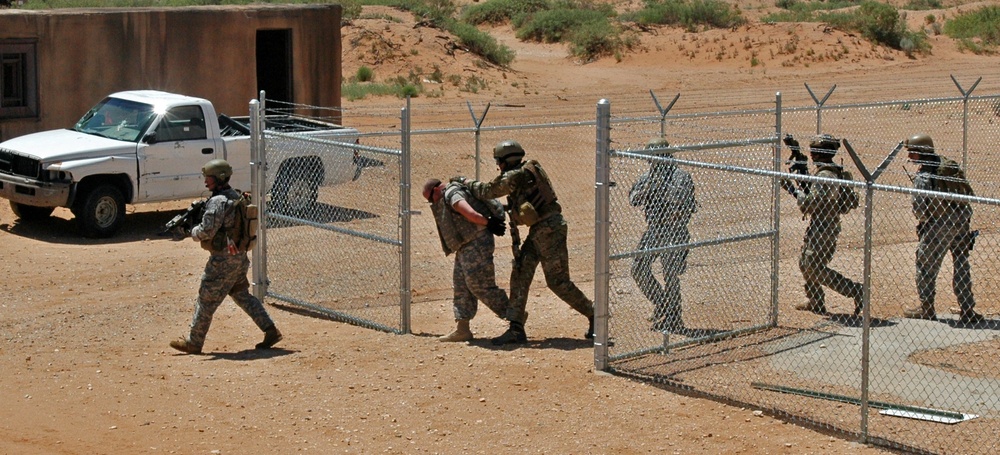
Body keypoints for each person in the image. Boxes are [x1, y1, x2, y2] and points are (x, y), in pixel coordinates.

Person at [464, 140, 595, 345]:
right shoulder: (527, 170)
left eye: (499, 161)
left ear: (507, 161)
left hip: (548, 230)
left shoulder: (515, 175)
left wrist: (464, 182)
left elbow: (488, 190)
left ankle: (595, 315)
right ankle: (516, 328)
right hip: (542, 229)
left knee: (558, 282)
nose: (498, 166)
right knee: (520, 272)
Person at [169, 159, 282, 354]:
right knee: (241, 294)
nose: (206, 182)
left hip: (222, 260)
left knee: (206, 299)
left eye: (209, 179)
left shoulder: (217, 202)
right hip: (239, 257)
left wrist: (190, 231)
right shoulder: (236, 195)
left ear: (219, 178)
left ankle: (194, 342)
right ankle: (270, 330)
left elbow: (207, 231)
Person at [903, 134, 983, 325]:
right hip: (962, 222)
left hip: (938, 226)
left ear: (921, 151)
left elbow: (920, 210)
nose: (910, 156)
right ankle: (967, 310)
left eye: (912, 152)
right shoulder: (947, 166)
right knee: (962, 264)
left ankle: (927, 308)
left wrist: (925, 223)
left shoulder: (924, 175)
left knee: (924, 265)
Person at [423, 178, 512, 342]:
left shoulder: (451, 194)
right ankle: (462, 329)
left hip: (477, 242)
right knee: (461, 285)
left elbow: (470, 213)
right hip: (466, 244)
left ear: (436, 190)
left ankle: (514, 317)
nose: (432, 203)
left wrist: (489, 223)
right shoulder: (449, 195)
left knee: (479, 284)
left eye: (430, 199)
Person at [783, 134, 863, 316]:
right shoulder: (830, 171)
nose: (810, 155)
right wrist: (798, 158)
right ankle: (815, 301)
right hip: (821, 225)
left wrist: (793, 191)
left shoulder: (826, 175)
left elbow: (810, 203)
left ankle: (855, 290)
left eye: (812, 151)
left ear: (818, 153)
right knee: (805, 263)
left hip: (824, 228)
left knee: (813, 267)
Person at [629, 137, 696, 333]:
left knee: (670, 274)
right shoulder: (647, 177)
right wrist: (650, 187)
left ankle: (674, 318)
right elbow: (633, 199)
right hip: (654, 229)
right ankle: (663, 303)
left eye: (655, 158)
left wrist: (659, 188)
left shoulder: (680, 176)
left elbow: (679, 202)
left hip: (675, 230)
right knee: (638, 268)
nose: (652, 162)